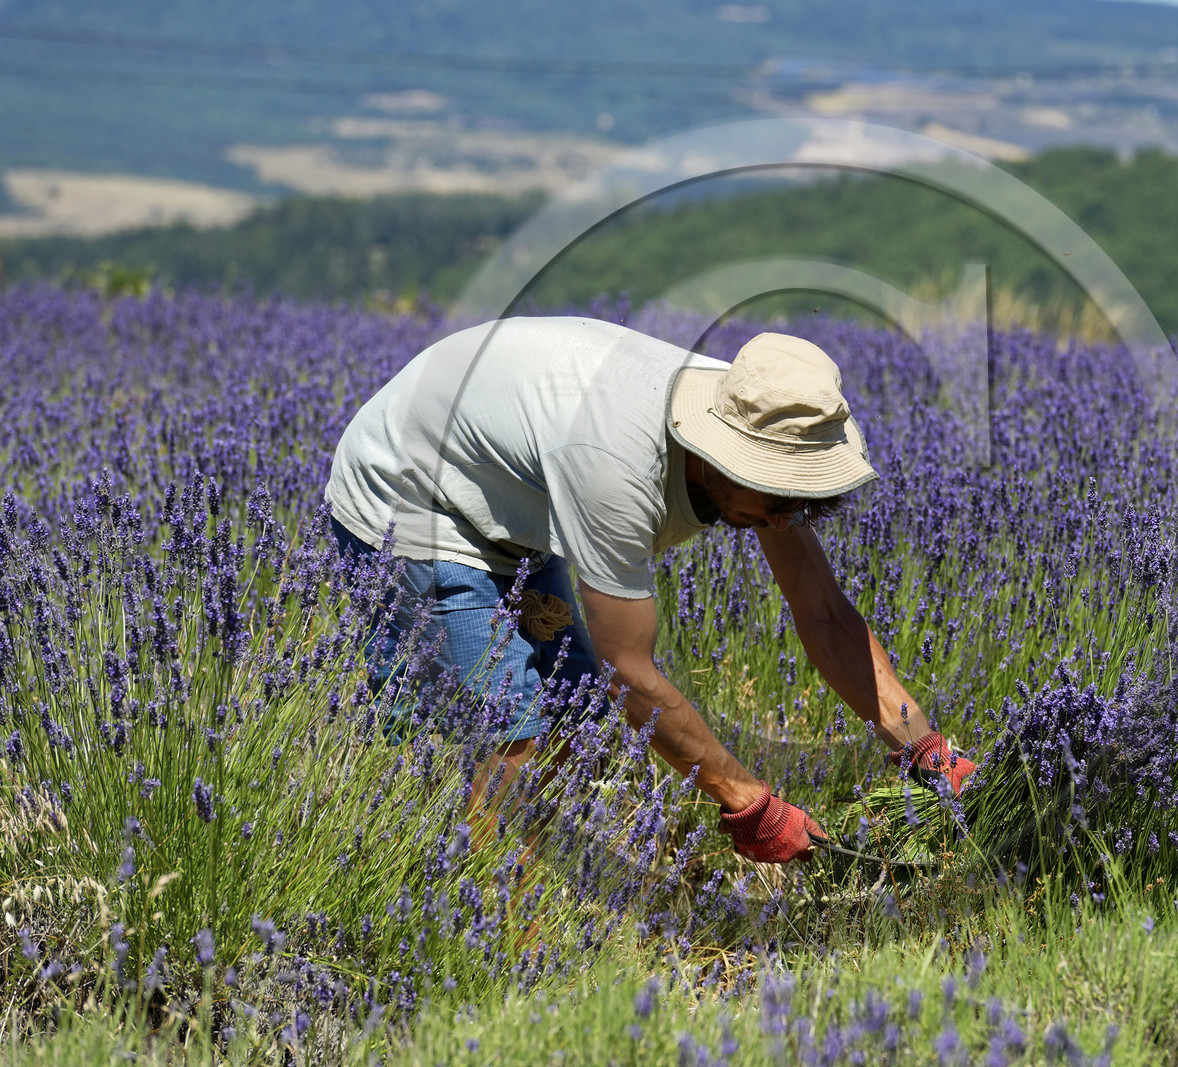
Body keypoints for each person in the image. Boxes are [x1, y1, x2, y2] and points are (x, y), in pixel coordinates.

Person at [324, 316, 973, 865]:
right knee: (513, 730)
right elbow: (627, 670)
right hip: (412, 493)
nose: (785, 517)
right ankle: (495, 933)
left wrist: (924, 746)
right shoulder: (615, 468)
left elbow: (823, 612)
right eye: (777, 493)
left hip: (510, 487)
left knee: (573, 721)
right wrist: (749, 800)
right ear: (720, 455)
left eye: (802, 499)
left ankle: (521, 876)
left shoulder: (770, 411)